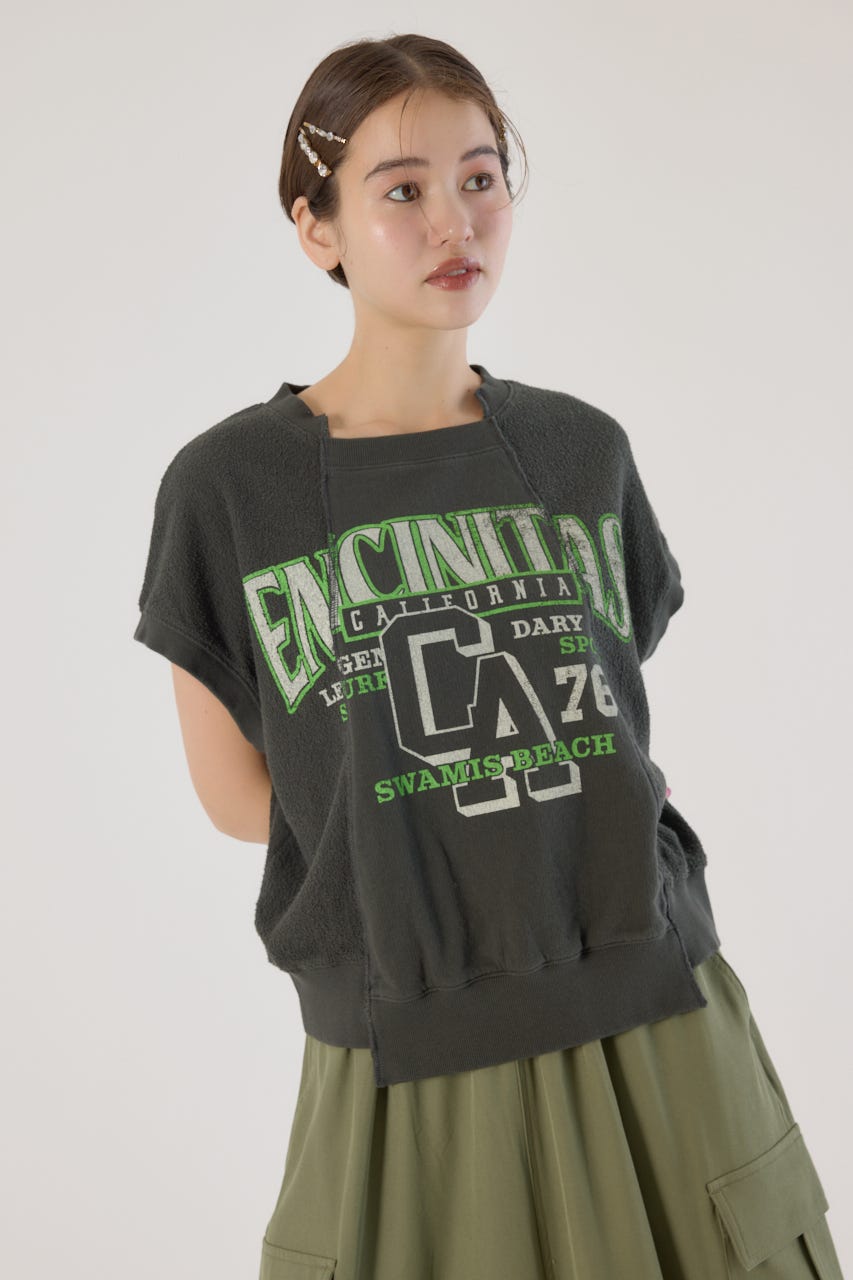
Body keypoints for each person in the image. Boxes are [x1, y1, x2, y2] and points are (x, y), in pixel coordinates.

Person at [132, 32, 845, 1280]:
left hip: (658, 1012)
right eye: (401, 189)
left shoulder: (580, 452)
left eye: (479, 177)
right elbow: (240, 796)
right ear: (316, 226)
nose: (453, 220)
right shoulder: (231, 486)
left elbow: (603, 725)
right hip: (408, 1047)